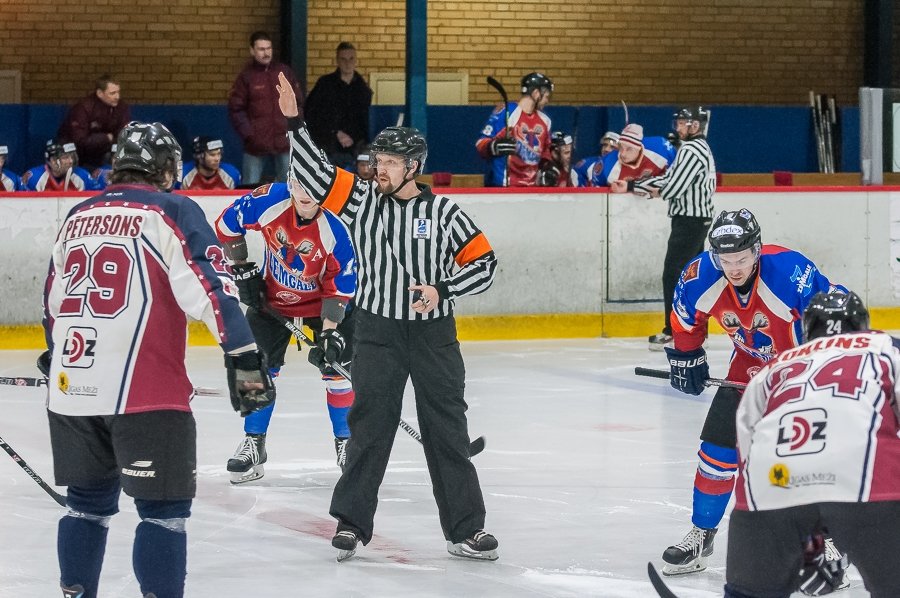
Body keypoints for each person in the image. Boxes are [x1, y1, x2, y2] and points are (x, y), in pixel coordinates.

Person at [39, 120, 274, 598]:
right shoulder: (171, 209)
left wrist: (57, 355)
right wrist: (244, 354)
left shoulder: (78, 215)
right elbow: (212, 286)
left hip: (72, 390)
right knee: (163, 515)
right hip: (146, 395)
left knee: (85, 505)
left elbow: (52, 302)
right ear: (166, 168)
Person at [276, 71, 500, 561]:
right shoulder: (360, 201)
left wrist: (442, 289)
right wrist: (295, 121)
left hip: (434, 337)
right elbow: (314, 174)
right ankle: (352, 524)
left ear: (413, 167)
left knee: (447, 431)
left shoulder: (446, 214)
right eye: (378, 159)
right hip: (376, 332)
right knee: (369, 429)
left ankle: (465, 530)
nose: (379, 167)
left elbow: (485, 266)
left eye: (391, 161)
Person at [658, 208, 847, 582]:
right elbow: (683, 316)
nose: (734, 267)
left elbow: (834, 313)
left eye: (742, 258)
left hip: (804, 367)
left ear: (756, 250)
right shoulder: (701, 275)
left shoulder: (789, 272)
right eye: (725, 260)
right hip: (749, 365)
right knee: (718, 450)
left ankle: (825, 539)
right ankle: (702, 535)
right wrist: (687, 355)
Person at [726, 290, 899, 597]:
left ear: (808, 330)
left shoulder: (775, 366)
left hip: (771, 484)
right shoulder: (887, 347)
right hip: (869, 483)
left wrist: (802, 541)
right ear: (862, 324)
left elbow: (747, 446)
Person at [214, 173, 357, 481]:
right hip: (273, 300)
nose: (305, 193)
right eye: (299, 184)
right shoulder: (268, 201)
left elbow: (340, 284)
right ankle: (254, 442)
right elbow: (226, 226)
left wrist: (330, 333)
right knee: (253, 369)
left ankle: (347, 442)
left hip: (324, 306)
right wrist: (240, 269)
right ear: (290, 182)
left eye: (314, 186)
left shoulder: (337, 225)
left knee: (338, 371)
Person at [611, 106, 716, 350]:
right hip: (696, 219)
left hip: (689, 220)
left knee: (674, 275)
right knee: (693, 277)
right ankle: (696, 331)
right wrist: (634, 185)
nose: (678, 127)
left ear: (695, 126)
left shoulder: (691, 149)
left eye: (682, 123)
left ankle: (674, 332)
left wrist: (640, 187)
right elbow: (671, 180)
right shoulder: (699, 148)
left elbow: (673, 187)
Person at [228, 31, 304, 186]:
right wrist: (250, 135)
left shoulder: (284, 73)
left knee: (288, 188)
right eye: (261, 49)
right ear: (252, 51)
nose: (266, 52)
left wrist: (294, 129)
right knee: (250, 189)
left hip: (284, 141)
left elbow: (297, 102)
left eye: (268, 48)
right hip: (255, 146)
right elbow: (236, 109)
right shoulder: (246, 77)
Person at [304, 41, 373, 172]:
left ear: (356, 60)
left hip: (356, 149)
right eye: (343, 59)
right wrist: (335, 132)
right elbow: (312, 115)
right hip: (329, 147)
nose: (347, 63)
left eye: (351, 58)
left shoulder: (363, 89)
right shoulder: (324, 85)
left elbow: (364, 121)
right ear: (337, 61)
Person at [476, 72, 553, 187]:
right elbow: (480, 144)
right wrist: (493, 146)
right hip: (503, 186)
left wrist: (548, 168)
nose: (547, 100)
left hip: (531, 189)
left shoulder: (545, 121)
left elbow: (545, 153)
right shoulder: (507, 112)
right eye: (546, 96)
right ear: (536, 93)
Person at [57, 74, 131, 172]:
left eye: (118, 92)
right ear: (100, 93)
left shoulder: (121, 107)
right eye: (112, 93)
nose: (117, 96)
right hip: (77, 152)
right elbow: (79, 140)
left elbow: (125, 134)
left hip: (103, 151)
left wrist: (110, 140)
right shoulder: (83, 108)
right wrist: (106, 138)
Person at [591, 123, 675, 187]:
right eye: (621, 147)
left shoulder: (661, 149)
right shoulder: (606, 164)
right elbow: (599, 198)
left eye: (629, 149)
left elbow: (675, 178)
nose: (622, 154)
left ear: (639, 148)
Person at [21, 139, 93, 191]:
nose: (71, 161)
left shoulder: (83, 176)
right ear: (53, 160)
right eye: (65, 157)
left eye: (72, 156)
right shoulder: (34, 178)